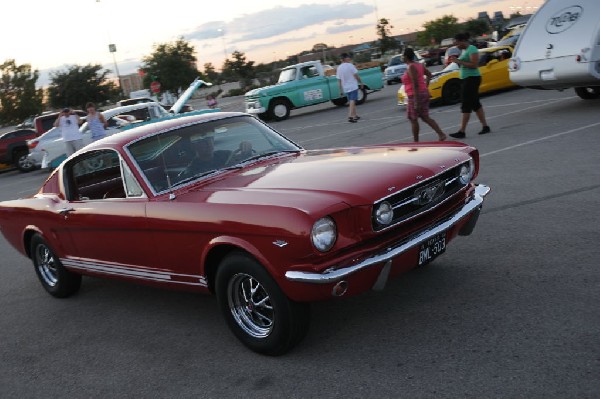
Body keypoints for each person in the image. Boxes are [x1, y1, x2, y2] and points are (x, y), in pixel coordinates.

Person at [448, 32, 491, 139]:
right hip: (466, 79)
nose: (456, 45)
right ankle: (485, 126)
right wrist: (456, 61)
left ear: (462, 41)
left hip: (472, 78)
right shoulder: (464, 50)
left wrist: (459, 61)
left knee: (466, 104)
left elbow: (474, 65)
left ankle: (462, 131)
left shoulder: (472, 49)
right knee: (475, 104)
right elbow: (464, 64)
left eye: (457, 43)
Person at [401, 48, 447, 142]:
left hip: (415, 95)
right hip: (422, 93)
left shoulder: (411, 67)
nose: (402, 57)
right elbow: (429, 75)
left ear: (406, 57)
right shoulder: (419, 65)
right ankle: (441, 134)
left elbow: (415, 84)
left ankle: (416, 142)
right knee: (425, 117)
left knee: (414, 119)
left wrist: (416, 102)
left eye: (402, 55)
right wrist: (425, 87)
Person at [336, 53, 363, 123]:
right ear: (345, 58)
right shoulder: (350, 66)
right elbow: (356, 75)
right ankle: (350, 116)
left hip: (345, 87)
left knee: (351, 101)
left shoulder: (339, 68)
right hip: (353, 86)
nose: (349, 58)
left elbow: (339, 80)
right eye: (348, 57)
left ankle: (355, 115)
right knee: (352, 101)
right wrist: (361, 82)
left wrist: (340, 90)